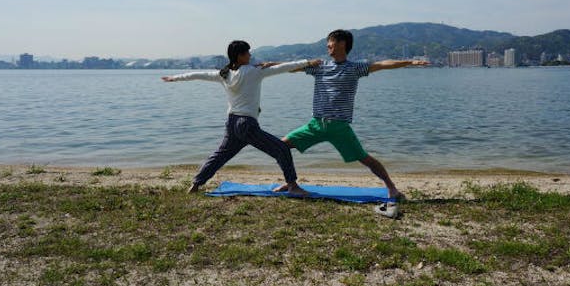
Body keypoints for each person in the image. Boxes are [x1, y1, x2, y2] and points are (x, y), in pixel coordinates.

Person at [276, 29, 430, 199]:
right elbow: (291, 67)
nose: (327, 45)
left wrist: (410, 62)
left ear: (342, 44)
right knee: (279, 146)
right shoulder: (320, 66)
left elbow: (383, 64)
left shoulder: (355, 68)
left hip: (339, 126)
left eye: (330, 41)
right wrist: (266, 66)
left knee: (365, 159)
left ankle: (392, 188)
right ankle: (291, 182)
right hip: (316, 124)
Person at [162, 40, 320, 196]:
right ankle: (292, 185)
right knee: (282, 149)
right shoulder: (253, 71)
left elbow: (197, 75)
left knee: (220, 155)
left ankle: (195, 185)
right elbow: (284, 67)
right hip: (246, 124)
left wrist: (175, 78)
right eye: (247, 53)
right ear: (239, 56)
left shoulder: (224, 74)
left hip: (232, 123)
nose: (250, 55)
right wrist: (308, 62)